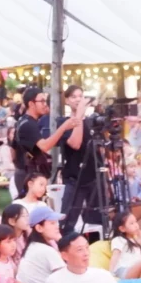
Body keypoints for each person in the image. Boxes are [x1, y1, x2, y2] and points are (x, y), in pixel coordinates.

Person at [14, 87, 76, 191]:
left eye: (45, 101)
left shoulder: (23, 121)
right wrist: (64, 127)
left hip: (25, 171)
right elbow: (45, 146)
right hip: (27, 174)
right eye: (42, 101)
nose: (45, 104)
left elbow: (14, 148)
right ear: (31, 104)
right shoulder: (28, 124)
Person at [56, 85, 96, 233]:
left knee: (97, 220)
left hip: (94, 177)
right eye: (73, 97)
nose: (78, 100)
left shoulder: (91, 121)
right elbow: (75, 144)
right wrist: (79, 115)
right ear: (67, 100)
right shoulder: (63, 122)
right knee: (67, 223)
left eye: (80, 96)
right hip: (74, 178)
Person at [16, 206, 66, 283]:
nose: (57, 226)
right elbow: (67, 279)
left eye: (57, 222)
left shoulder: (33, 246)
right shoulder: (46, 251)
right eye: (52, 223)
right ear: (39, 228)